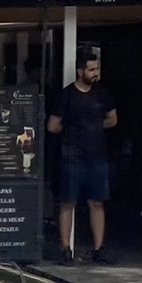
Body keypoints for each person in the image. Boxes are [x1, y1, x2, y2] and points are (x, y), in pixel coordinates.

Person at [46, 56, 119, 263]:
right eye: (91, 70)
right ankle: (65, 249)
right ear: (80, 71)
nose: (95, 73)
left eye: (97, 69)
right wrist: (72, 133)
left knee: (97, 203)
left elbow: (113, 119)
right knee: (68, 202)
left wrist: (93, 128)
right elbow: (52, 125)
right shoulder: (66, 95)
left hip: (98, 157)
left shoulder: (103, 94)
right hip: (72, 157)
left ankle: (98, 249)